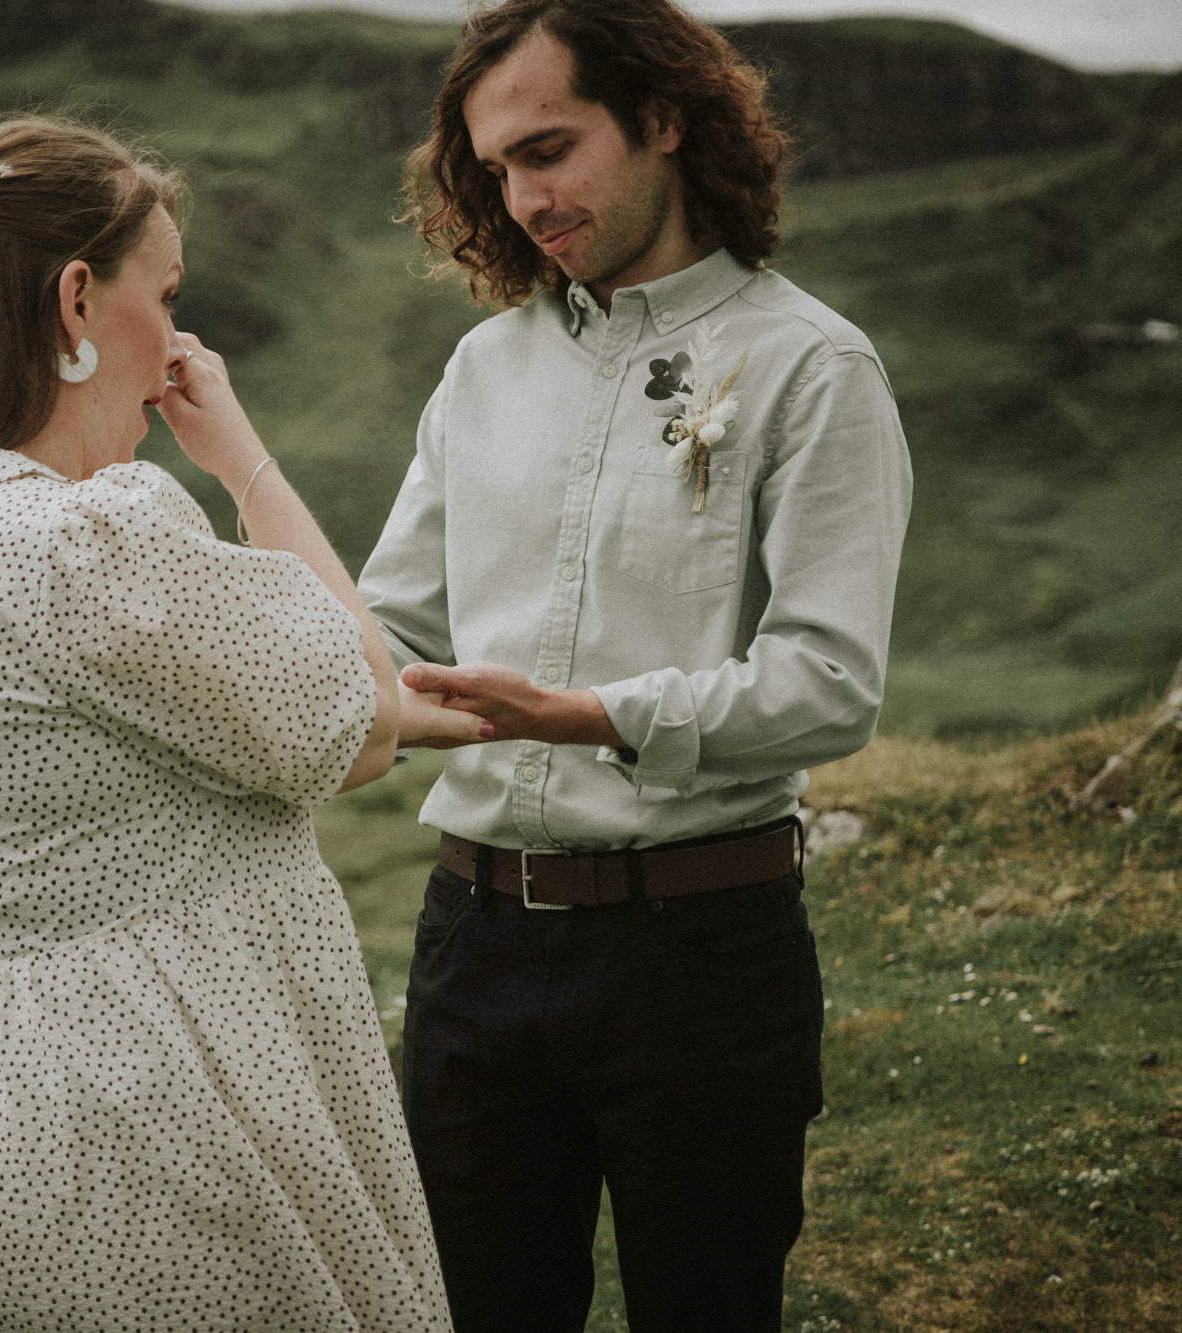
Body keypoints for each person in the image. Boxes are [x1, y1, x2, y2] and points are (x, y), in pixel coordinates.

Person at [0, 113, 479, 1331]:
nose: (175, 337)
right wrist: (244, 462)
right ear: (76, 299)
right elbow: (366, 715)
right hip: (130, 1122)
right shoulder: (80, 537)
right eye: (163, 294)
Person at [357, 3, 913, 1329]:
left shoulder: (813, 368)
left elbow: (830, 682)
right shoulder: (482, 368)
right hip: (471, 949)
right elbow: (391, 624)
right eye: (496, 169)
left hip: (701, 958)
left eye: (550, 149)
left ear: (664, 117)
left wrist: (592, 716)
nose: (524, 197)